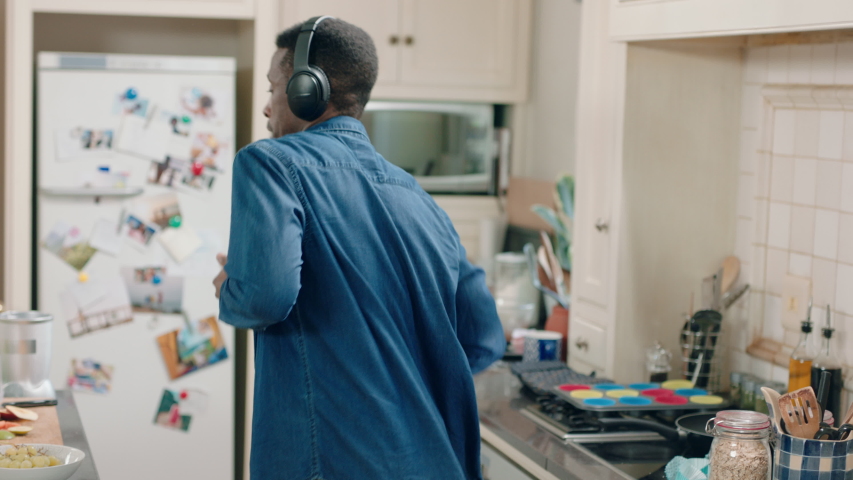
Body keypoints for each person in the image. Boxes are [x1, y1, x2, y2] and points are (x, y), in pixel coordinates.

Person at [213, 17, 505, 480]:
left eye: (273, 88)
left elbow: (263, 297)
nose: (267, 109)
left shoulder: (270, 163)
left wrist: (236, 282)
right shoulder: (421, 198)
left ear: (307, 89)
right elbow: (483, 337)